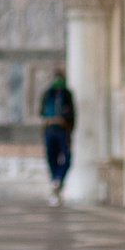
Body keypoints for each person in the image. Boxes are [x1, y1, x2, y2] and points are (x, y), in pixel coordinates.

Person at [39, 69, 76, 204]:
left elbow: (71, 114)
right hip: (50, 130)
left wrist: (68, 128)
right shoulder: (48, 94)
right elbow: (42, 113)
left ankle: (58, 179)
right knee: (51, 157)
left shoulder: (66, 94)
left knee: (66, 158)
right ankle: (55, 181)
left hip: (62, 131)